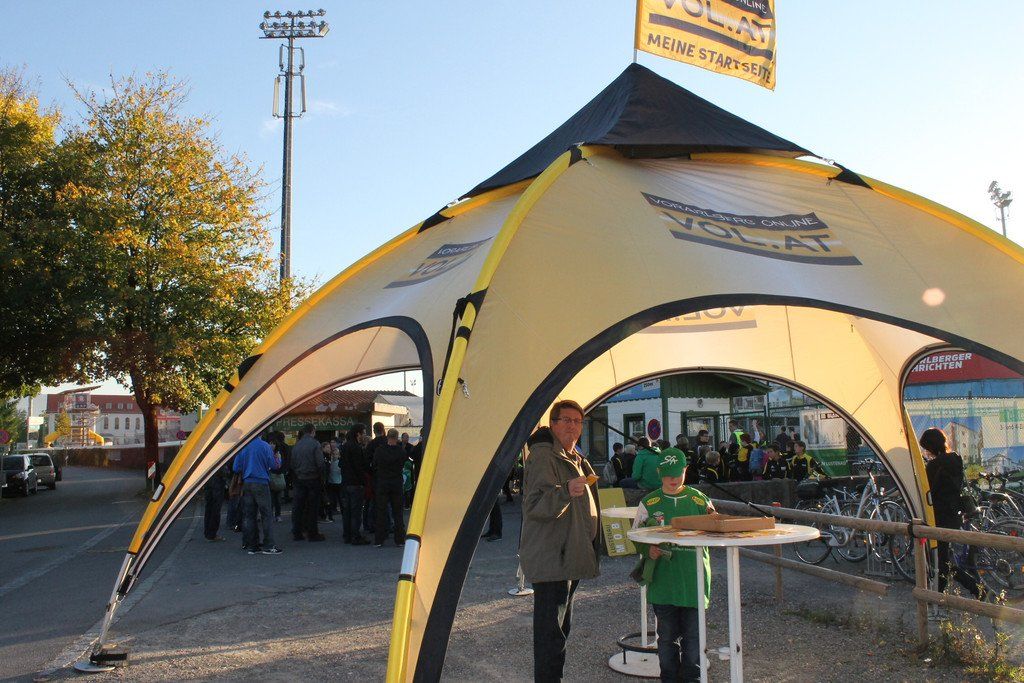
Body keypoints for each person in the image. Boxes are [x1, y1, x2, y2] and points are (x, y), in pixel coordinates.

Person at [520, 400, 600, 683]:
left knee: (560, 630)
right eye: (566, 420)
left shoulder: (573, 456)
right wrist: (566, 489)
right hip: (552, 556)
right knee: (550, 634)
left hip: (568, 554)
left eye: (577, 421)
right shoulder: (544, 455)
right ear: (553, 424)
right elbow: (535, 505)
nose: (572, 426)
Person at [633, 449, 713, 682]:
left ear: (685, 470)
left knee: (694, 638)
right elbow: (635, 535)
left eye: (677, 473)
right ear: (659, 472)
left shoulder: (700, 500)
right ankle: (668, 678)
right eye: (668, 474)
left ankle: (692, 678)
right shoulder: (649, 502)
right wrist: (647, 549)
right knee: (666, 638)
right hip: (663, 583)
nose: (673, 479)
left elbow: (717, 529)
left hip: (693, 582)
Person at [921, 427, 984, 598]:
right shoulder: (955, 459)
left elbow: (928, 490)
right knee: (943, 560)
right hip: (954, 514)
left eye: (925, 448)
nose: (925, 451)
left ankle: (978, 590)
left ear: (930, 447)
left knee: (943, 562)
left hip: (938, 516)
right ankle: (937, 596)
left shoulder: (933, 466)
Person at [232, 434, 282, 554]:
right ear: (260, 433)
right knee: (266, 514)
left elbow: (236, 467)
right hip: (261, 482)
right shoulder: (265, 446)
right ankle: (269, 545)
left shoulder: (243, 447)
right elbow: (274, 465)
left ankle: (252, 546)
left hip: (247, 483)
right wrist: (278, 458)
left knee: (249, 515)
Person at [290, 423, 326, 542]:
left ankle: (297, 532)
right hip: (313, 478)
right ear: (313, 431)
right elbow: (320, 463)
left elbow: (293, 464)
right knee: (312, 507)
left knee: (298, 507)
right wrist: (322, 478)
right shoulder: (315, 444)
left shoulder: (297, 445)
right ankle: (312, 533)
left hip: (299, 478)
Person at [373, 428, 408, 547]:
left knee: (381, 511)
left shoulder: (379, 450)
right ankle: (399, 539)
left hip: (383, 482)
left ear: (387, 436)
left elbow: (374, 464)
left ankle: (379, 539)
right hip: (396, 482)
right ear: (397, 438)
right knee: (397, 512)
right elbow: (403, 463)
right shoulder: (401, 451)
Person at [340, 424, 370, 545]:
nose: (364, 435)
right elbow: (359, 467)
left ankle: (347, 535)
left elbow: (341, 464)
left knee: (347, 511)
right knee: (356, 512)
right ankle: (355, 536)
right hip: (356, 484)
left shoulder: (345, 446)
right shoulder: (356, 448)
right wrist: (363, 481)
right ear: (358, 434)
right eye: (364, 433)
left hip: (346, 483)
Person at [203, 463, 229, 541]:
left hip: (208, 483)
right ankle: (212, 534)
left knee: (208, 509)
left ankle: (207, 532)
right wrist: (227, 472)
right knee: (216, 510)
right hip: (217, 484)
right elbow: (223, 471)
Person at [325, 441, 344, 522]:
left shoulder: (335, 463)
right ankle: (332, 514)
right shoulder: (330, 462)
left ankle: (341, 514)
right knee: (333, 499)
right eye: (334, 454)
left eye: (336, 454)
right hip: (333, 483)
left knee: (339, 500)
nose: (335, 456)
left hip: (337, 482)